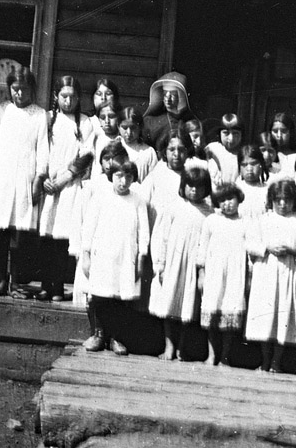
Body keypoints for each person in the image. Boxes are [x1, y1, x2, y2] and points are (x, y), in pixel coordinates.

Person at [0, 67, 49, 299]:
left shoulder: (40, 115)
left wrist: (38, 178)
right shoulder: (1, 110)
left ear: (32, 90)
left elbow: (43, 149)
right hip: (3, 178)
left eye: (24, 89)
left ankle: (16, 283)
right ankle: (1, 281)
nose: (19, 93)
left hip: (25, 179)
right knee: (1, 233)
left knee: (20, 235)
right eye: (15, 89)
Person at [79, 160, 149, 356]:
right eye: (119, 176)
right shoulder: (101, 197)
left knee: (120, 298)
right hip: (103, 256)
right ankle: (98, 334)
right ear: (111, 176)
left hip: (126, 257)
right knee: (100, 295)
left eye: (128, 177)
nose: (123, 181)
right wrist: (86, 254)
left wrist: (141, 259)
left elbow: (144, 232)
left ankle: (116, 338)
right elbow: (89, 227)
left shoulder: (138, 201)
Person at [245, 178, 296, 374]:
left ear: (294, 201)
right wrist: (267, 247)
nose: (282, 204)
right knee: (266, 315)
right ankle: (265, 360)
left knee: (283, 314)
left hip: (288, 273)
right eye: (278, 200)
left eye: (287, 200)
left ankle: (276, 362)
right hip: (266, 272)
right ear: (272, 200)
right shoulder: (263, 220)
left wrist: (293, 249)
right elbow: (250, 244)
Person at [38, 75, 93, 301]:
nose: (68, 101)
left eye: (72, 97)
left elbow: (86, 154)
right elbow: (40, 149)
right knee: (46, 236)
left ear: (78, 98)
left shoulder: (84, 122)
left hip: (70, 186)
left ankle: (58, 287)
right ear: (56, 96)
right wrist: (44, 178)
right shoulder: (48, 119)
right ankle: (45, 285)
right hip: (48, 186)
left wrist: (66, 177)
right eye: (64, 96)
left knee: (62, 237)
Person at [149, 167, 214, 361]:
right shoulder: (173, 207)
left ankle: (182, 347)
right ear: (183, 186)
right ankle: (169, 346)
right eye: (190, 186)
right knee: (169, 305)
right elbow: (162, 238)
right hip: (173, 264)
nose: (194, 190)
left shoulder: (209, 213)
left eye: (199, 187)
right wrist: (160, 265)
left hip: (194, 266)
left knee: (188, 306)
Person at [70, 140, 131, 342]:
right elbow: (81, 218)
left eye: (115, 159)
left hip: (117, 248)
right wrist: (81, 249)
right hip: (94, 247)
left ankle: (113, 336)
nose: (110, 163)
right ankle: (97, 333)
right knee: (93, 292)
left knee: (113, 292)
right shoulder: (92, 185)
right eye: (106, 158)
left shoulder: (127, 187)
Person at [198, 182, 249, 366]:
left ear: (238, 199)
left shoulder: (245, 222)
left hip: (235, 274)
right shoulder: (211, 220)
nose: (227, 203)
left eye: (230, 199)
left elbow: (249, 253)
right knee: (212, 313)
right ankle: (211, 355)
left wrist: (249, 276)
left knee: (230, 315)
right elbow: (202, 249)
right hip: (214, 273)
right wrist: (201, 272)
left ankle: (225, 357)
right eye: (222, 200)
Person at [142, 71, 196, 147]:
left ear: (182, 96)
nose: (168, 98)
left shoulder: (192, 123)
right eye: (165, 94)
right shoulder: (150, 123)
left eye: (173, 94)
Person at [117, 106, 159, 184]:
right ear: (118, 126)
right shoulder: (115, 147)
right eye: (125, 128)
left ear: (140, 127)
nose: (129, 132)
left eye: (133, 128)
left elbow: (154, 180)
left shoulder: (148, 152)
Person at [207, 113, 243, 186]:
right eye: (226, 133)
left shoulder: (243, 152)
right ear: (219, 133)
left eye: (235, 133)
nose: (231, 139)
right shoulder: (212, 149)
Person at [236, 143, 269, 220]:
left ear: (261, 165)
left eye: (253, 164)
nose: (249, 168)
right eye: (244, 165)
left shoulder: (267, 189)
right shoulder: (236, 189)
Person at [89, 101, 121, 179]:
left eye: (111, 116)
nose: (107, 121)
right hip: (98, 180)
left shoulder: (122, 140)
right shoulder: (96, 139)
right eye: (102, 118)